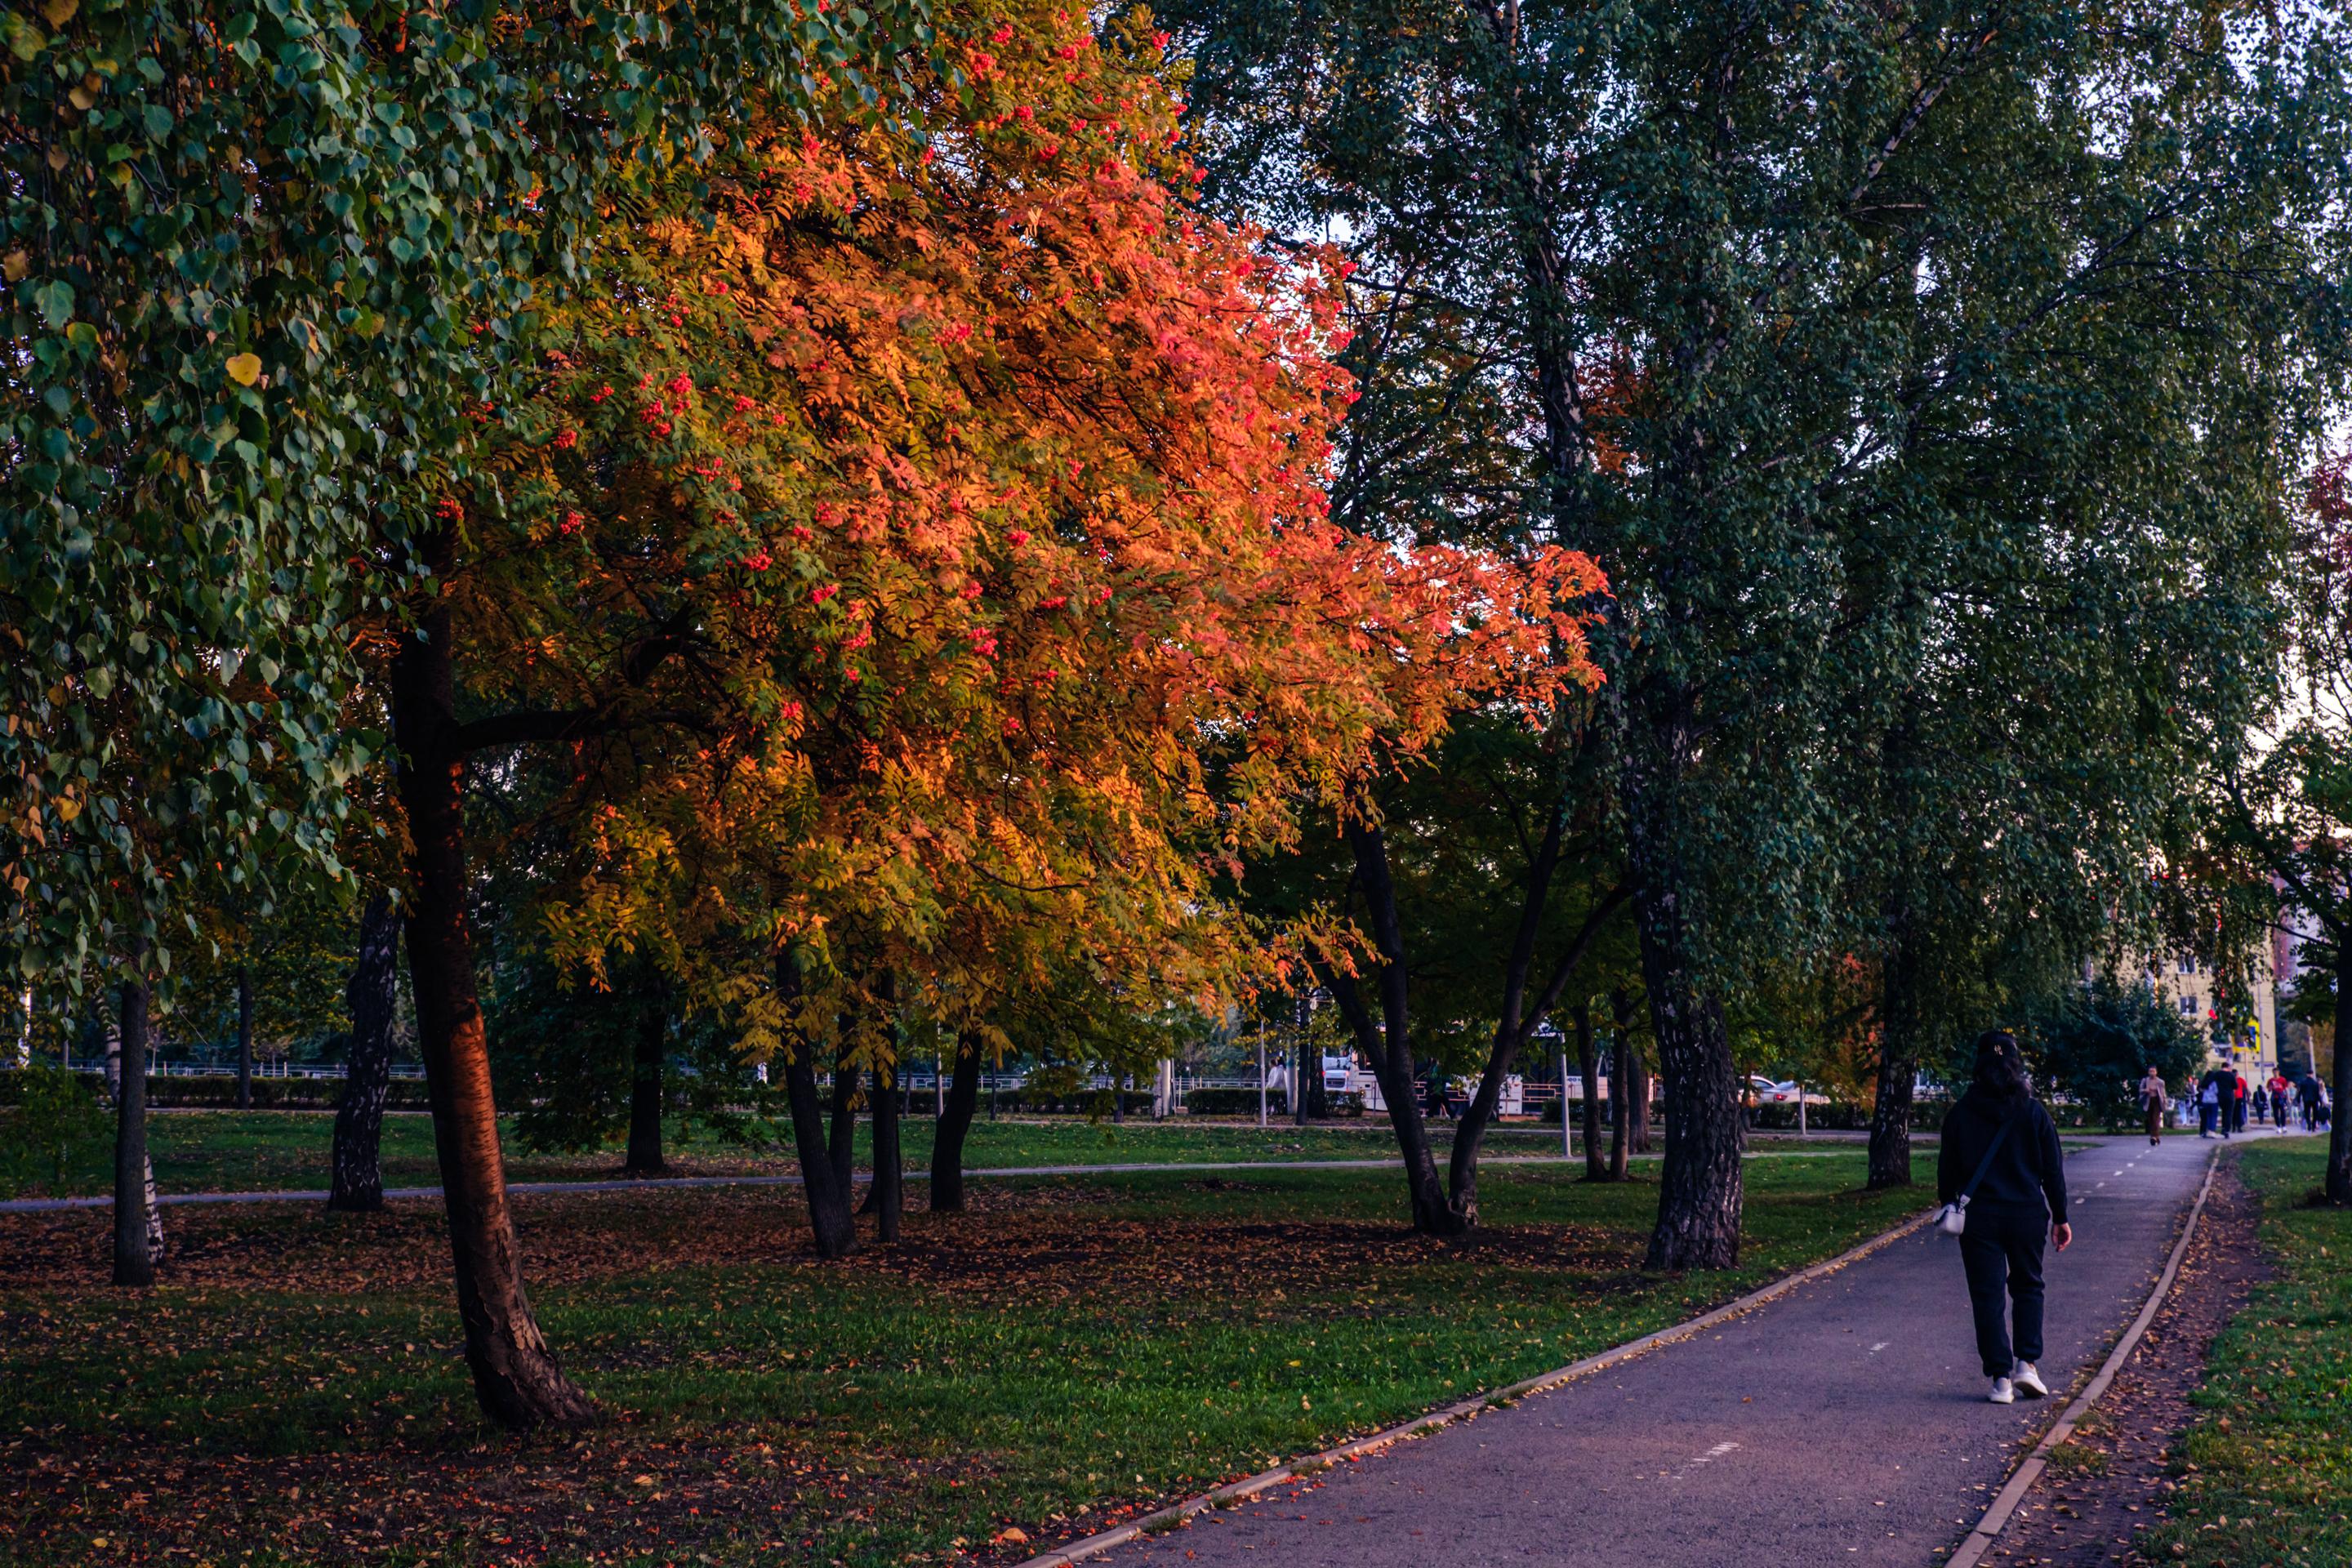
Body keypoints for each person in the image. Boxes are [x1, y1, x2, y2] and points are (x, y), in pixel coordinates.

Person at [1939, 1030, 2073, 1405]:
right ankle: (2026, 1364)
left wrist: (1951, 1202)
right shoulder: (2034, 1112)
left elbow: (1946, 1174)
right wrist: (2060, 1217)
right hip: (2027, 1214)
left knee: (1988, 1296)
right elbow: (2053, 1170)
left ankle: (2000, 1379)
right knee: (2029, 1286)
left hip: (1980, 1218)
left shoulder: (1960, 1114)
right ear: (2016, 1066)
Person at [2137, 1067, 2167, 1147]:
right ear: (2148, 1072)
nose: (2152, 1073)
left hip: (2157, 1101)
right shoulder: (2145, 1080)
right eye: (2150, 1071)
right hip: (2148, 1101)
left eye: (2153, 1071)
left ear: (2156, 1072)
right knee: (2150, 1120)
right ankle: (2155, 1137)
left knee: (2155, 1119)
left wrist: (2165, 1103)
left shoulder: (2160, 1082)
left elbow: (2163, 1094)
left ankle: (2154, 1137)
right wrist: (2145, 1090)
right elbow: (2140, 1090)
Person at [2198, 1074, 2221, 1138]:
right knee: (2213, 1117)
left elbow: (2201, 1090)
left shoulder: (2204, 1083)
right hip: (2213, 1101)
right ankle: (2212, 1131)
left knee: (2208, 1116)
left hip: (2205, 1101)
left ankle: (2207, 1131)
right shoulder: (2214, 1083)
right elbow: (2217, 1091)